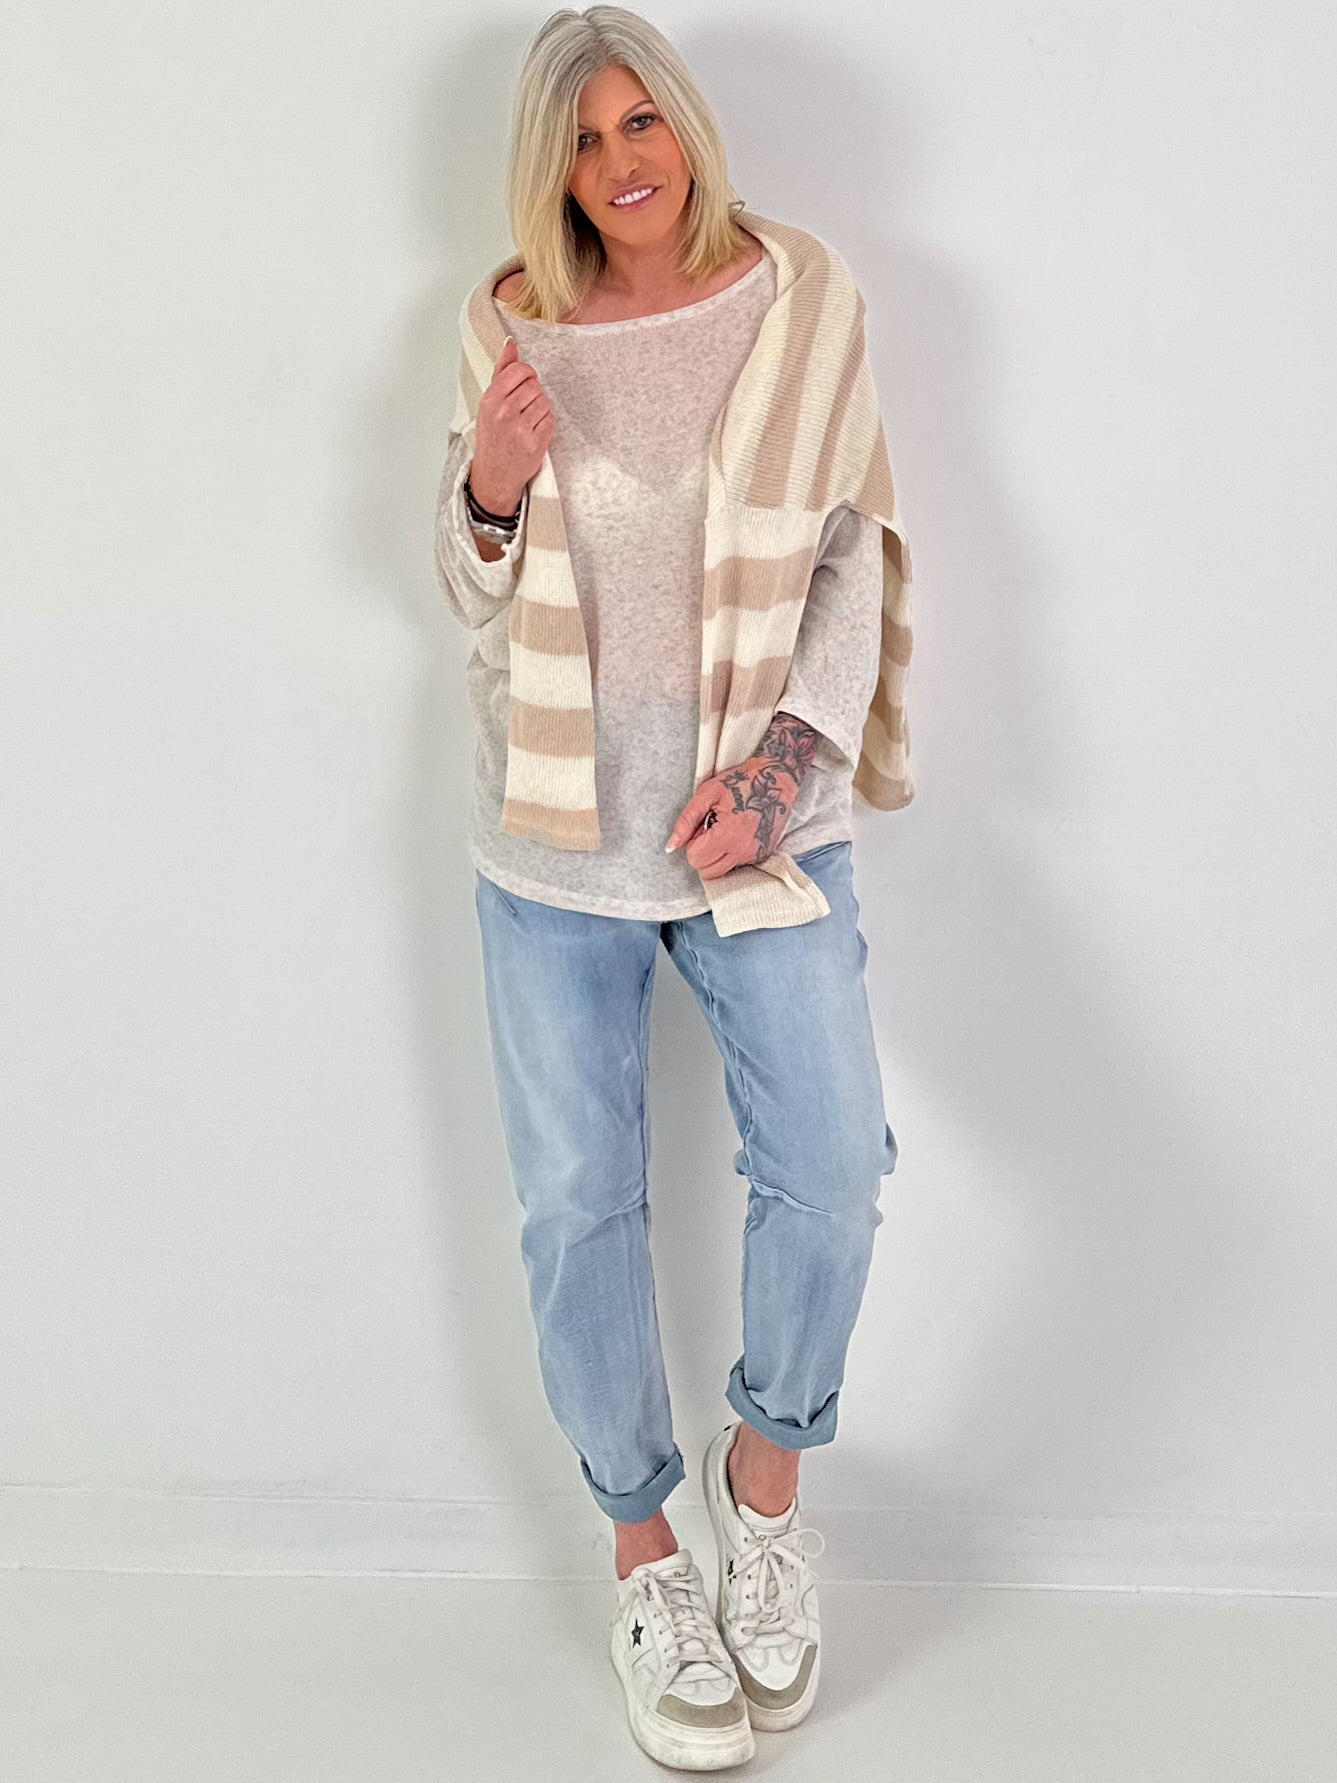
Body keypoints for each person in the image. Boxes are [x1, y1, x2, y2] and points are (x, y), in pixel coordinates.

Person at [434, 7, 910, 1770]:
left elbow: (850, 558)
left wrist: (779, 772)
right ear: (547, 171)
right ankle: (646, 1553)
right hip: (557, 837)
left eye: (641, 122)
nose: (620, 161)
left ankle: (761, 1488)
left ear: (687, 128)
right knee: (577, 1204)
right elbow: (468, 591)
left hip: (758, 828)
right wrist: (487, 491)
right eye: (581, 139)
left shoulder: (801, 296)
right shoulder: (508, 327)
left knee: (832, 1173)